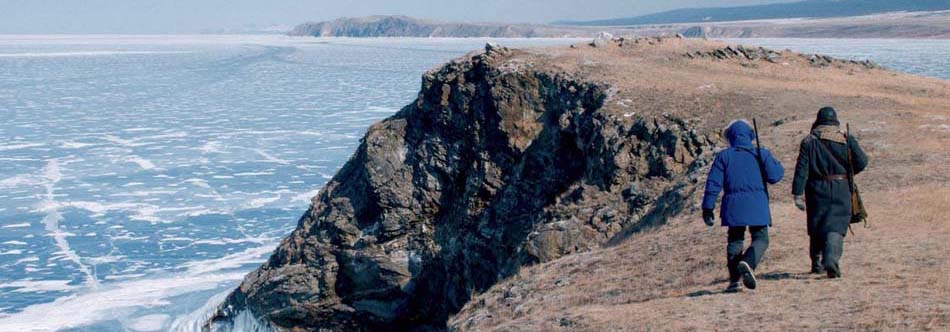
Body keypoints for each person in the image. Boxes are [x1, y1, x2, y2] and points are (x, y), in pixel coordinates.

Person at [702, 119, 784, 292]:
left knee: (735, 239)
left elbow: (713, 183)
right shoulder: (760, 153)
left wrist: (707, 207)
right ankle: (749, 262)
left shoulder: (724, 156)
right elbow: (775, 176)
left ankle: (735, 281)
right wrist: (774, 163)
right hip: (757, 204)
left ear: (730, 137)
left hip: (733, 205)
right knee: (761, 239)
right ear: (750, 135)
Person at [792, 106, 868, 278]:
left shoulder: (809, 141)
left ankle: (817, 263)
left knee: (818, 224)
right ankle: (831, 259)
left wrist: (797, 193)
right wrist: (846, 173)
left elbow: (801, 169)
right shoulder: (845, 139)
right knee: (836, 226)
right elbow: (862, 162)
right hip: (841, 188)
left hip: (816, 189)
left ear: (818, 121)